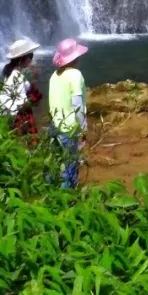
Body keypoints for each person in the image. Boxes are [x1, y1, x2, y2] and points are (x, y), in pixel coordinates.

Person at [48, 38, 88, 188]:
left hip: (55, 125)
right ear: (75, 57)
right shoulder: (75, 75)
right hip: (69, 128)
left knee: (55, 163)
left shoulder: (54, 75)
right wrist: (83, 127)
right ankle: (68, 195)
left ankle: (51, 192)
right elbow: (77, 104)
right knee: (70, 165)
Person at [0, 37, 42, 137]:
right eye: (30, 56)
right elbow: (22, 105)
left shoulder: (10, 74)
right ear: (24, 59)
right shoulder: (16, 77)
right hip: (21, 121)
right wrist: (34, 101)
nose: (31, 59)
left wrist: (35, 78)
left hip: (12, 118)